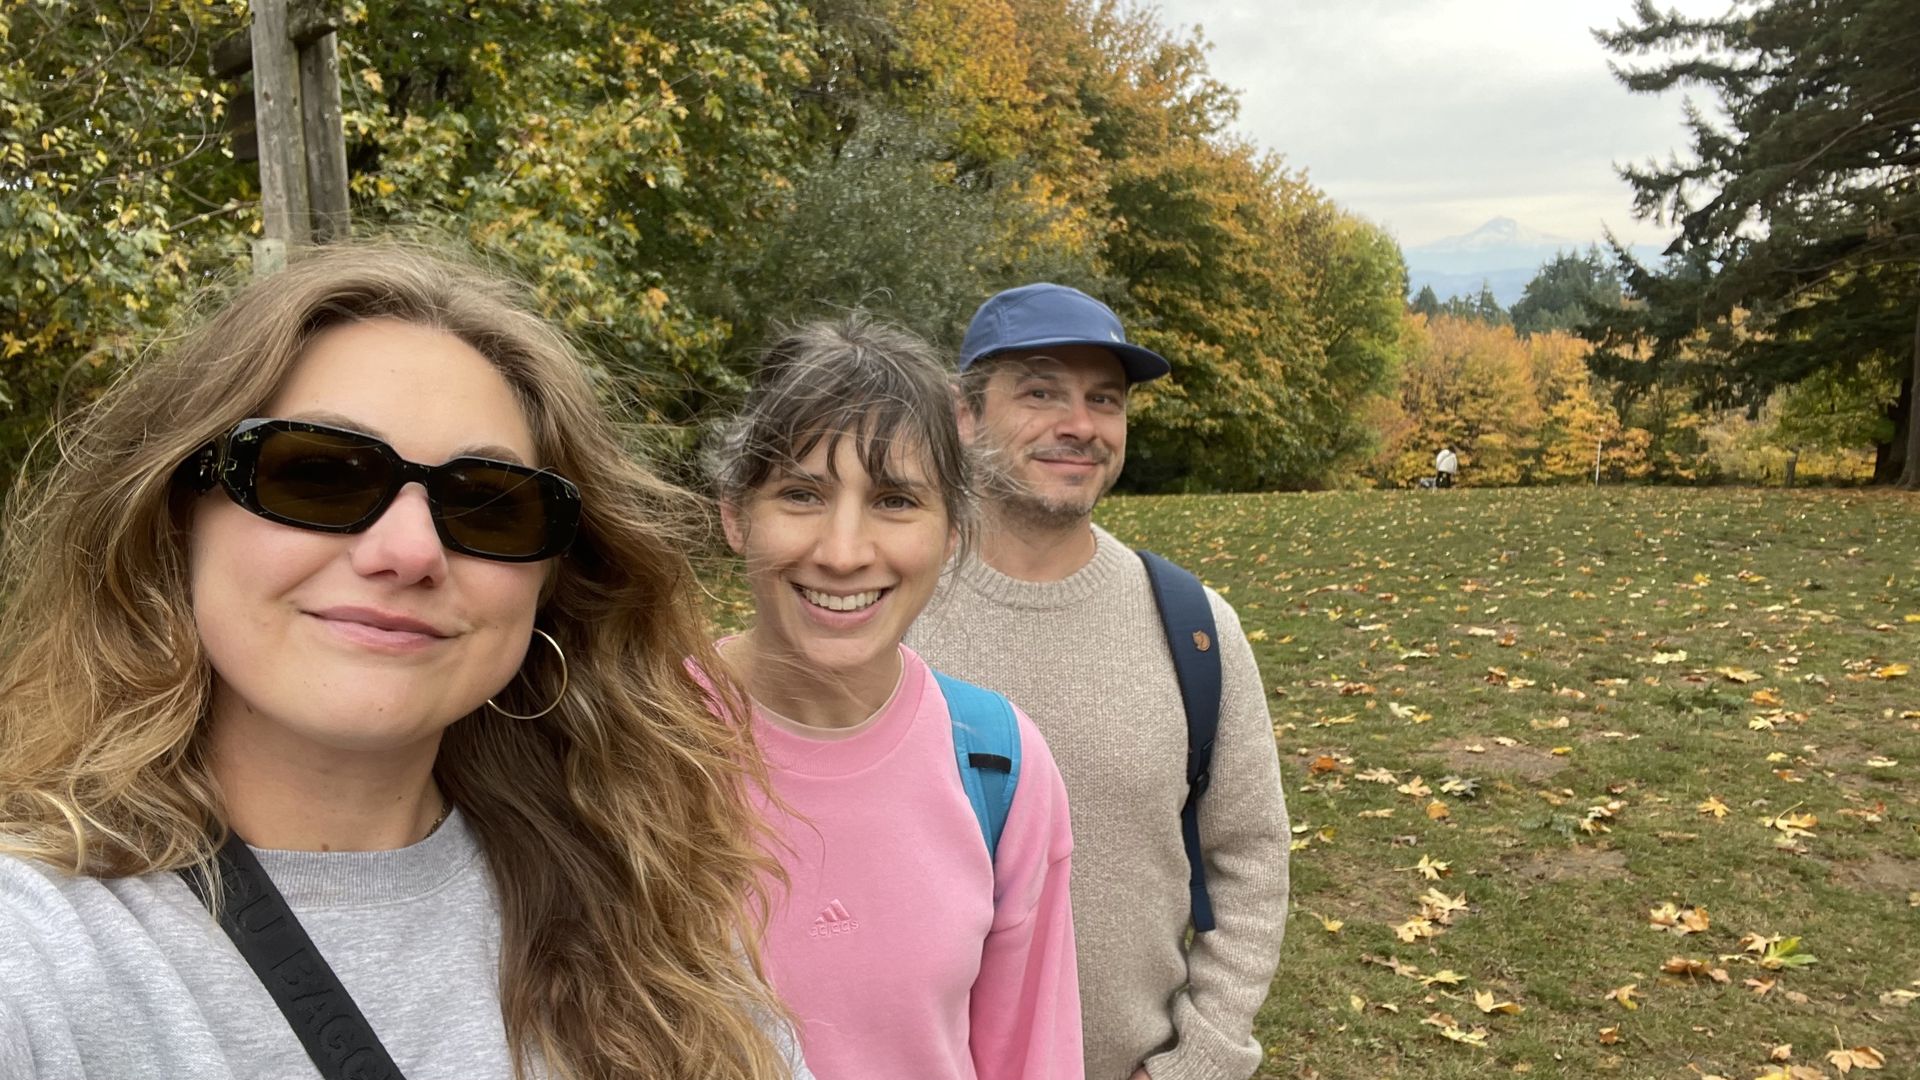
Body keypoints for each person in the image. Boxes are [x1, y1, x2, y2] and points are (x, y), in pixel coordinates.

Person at [0, 245, 808, 1080]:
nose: (410, 550)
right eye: (317, 474)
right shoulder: (34, 953)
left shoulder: (642, 917)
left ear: (551, 581)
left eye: (491, 504)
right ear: (178, 518)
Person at [907, 283, 1290, 1080]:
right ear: (963, 415)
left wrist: (1202, 1062)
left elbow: (1250, 856)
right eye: (1041, 391)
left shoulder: (1192, 626)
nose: (1079, 425)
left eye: (1104, 400)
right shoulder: (889, 609)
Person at [707, 316, 1082, 1079]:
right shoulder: (633, 742)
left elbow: (1029, 1058)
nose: (844, 553)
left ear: (952, 533)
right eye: (802, 493)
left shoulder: (997, 764)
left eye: (896, 501)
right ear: (736, 514)